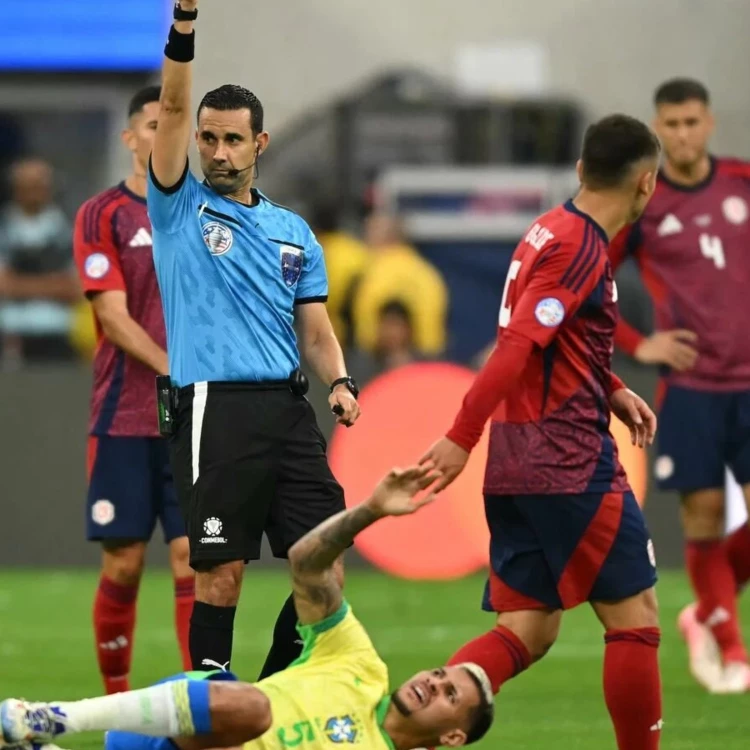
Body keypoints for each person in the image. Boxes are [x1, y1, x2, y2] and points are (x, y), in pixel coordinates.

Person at [421, 115, 663, 750]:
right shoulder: (581, 246)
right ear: (647, 185)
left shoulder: (548, 229)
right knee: (635, 618)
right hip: (568, 459)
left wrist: (610, 387)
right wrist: (459, 435)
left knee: (527, 628)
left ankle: (414, 729)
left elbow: (557, 338)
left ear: (581, 171)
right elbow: (520, 345)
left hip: (518, 460)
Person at [148, 0, 360, 678]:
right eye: (209, 137)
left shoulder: (294, 231)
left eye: (232, 139)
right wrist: (183, 27)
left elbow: (316, 329)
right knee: (222, 574)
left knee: (323, 564)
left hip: (289, 410)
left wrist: (340, 382)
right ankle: (212, 711)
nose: (217, 150)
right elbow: (173, 111)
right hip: (213, 405)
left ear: (259, 144)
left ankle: (269, 697)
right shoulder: (179, 203)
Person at [0, 465, 494, 750]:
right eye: (440, 673)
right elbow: (306, 564)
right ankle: (53, 718)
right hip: (175, 730)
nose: (433, 681)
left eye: (449, 694)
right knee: (252, 704)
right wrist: (369, 512)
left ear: (451, 738)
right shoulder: (360, 666)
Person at [610, 78, 750, 694]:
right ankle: (728, 640)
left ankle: (704, 612)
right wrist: (642, 346)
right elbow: (591, 279)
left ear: (709, 123)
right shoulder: (645, 201)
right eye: (671, 124)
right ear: (657, 129)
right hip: (691, 390)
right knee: (705, 519)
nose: (683, 134)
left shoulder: (742, 182)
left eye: (692, 122)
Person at [72, 85, 194, 694]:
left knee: (192, 558)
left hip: (192, 421)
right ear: (130, 138)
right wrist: (174, 365)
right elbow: (114, 320)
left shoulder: (205, 213)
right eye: (152, 123)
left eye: (170, 123)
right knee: (123, 563)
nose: (161, 132)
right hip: (123, 417)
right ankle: (116, 701)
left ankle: (203, 700)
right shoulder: (103, 214)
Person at [0, 158, 79, 365]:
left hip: (55, 333)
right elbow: (2, 286)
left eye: (38, 185)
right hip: (9, 332)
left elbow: (76, 288)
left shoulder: (68, 230)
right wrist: (53, 284)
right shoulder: (4, 228)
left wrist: (18, 283)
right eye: (26, 186)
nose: (33, 191)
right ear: (15, 188)